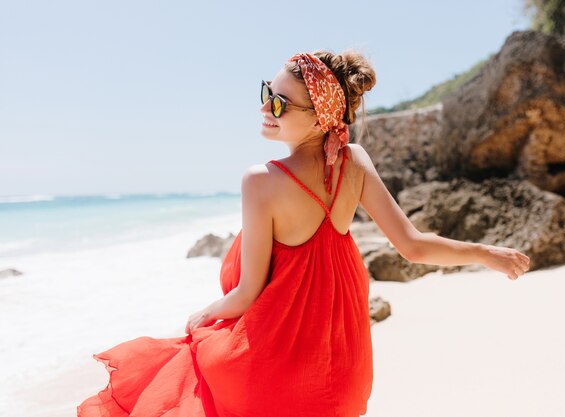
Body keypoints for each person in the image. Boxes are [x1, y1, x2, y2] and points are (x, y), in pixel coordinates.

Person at [77, 49, 530, 417]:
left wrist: (204, 314)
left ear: (319, 118)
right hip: (342, 371)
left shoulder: (261, 181)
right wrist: (486, 253)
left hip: (276, 370)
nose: (265, 108)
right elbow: (411, 245)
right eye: (266, 94)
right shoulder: (353, 163)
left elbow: (248, 292)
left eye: (279, 103)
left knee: (184, 370)